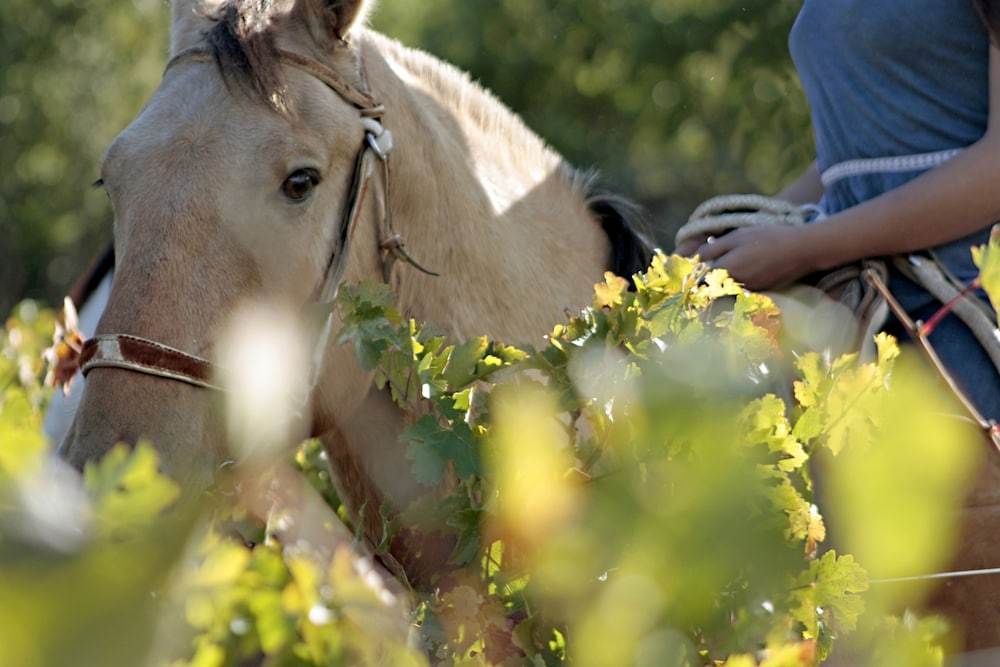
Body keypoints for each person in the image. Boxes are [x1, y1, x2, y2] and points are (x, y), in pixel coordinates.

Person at [678, 0, 1000, 424]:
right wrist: (743, 231)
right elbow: (843, 164)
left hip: (961, 297)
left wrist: (804, 249)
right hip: (850, 290)